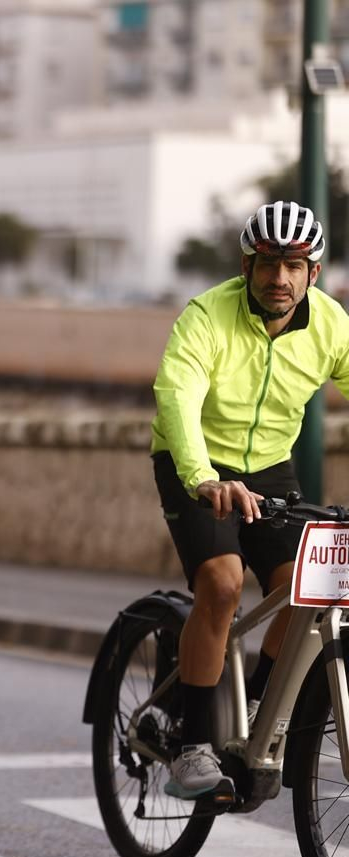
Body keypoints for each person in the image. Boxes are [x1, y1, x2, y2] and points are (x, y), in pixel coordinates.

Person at [152, 199, 349, 802]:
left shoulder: (332, 326)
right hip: (195, 463)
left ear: (313, 273)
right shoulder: (206, 316)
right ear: (247, 266)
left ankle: (259, 710)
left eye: (293, 266)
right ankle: (192, 744)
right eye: (267, 263)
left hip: (269, 468)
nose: (279, 278)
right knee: (222, 583)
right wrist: (203, 477)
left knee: (305, 586)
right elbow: (177, 396)